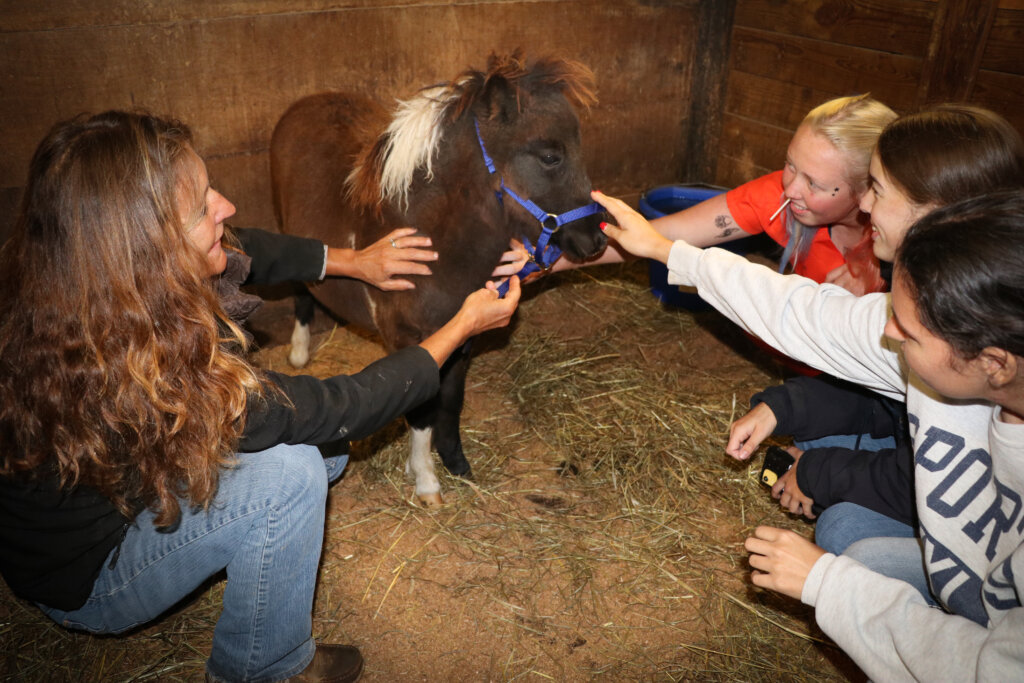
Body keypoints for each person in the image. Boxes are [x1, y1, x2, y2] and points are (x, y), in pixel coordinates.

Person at [0, 110, 522, 683]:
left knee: (328, 451)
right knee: (294, 473)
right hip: (92, 575)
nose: (225, 206)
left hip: (125, 477)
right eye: (202, 208)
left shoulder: (81, 276)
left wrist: (354, 261)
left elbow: (251, 248)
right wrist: (461, 325)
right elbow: (339, 405)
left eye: (210, 189)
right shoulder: (139, 365)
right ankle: (266, 667)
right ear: (147, 251)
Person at [592, 188, 1024, 679]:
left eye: (909, 330)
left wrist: (828, 583)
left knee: (848, 540)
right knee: (851, 529)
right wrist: (669, 252)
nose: (890, 335)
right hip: (970, 576)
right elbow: (814, 315)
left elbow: (996, 671)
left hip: (989, 631)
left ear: (994, 363)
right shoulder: (958, 349)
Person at [727, 105, 1024, 560]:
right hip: (916, 447)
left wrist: (819, 475)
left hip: (973, 544)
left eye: (878, 190)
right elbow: (890, 402)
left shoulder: (960, 319)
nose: (865, 205)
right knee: (809, 435)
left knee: (844, 530)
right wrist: (784, 407)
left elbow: (925, 472)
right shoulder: (945, 292)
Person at [553, 94, 897, 296]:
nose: (790, 189)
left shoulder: (905, 246)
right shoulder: (777, 197)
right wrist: (550, 262)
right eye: (790, 164)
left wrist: (885, 290)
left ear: (869, 190)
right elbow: (664, 235)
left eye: (815, 185)